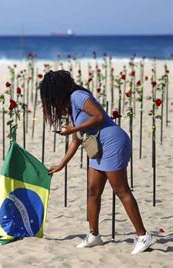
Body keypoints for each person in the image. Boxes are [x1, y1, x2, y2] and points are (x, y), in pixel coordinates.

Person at [39, 70, 155, 255]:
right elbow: (77, 139)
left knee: (121, 189)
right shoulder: (71, 104)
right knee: (93, 190)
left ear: (58, 90)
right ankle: (94, 236)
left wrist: (74, 129)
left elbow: (99, 117)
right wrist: (62, 164)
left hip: (113, 142)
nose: (51, 100)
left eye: (51, 95)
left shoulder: (78, 96)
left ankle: (143, 235)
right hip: (98, 147)